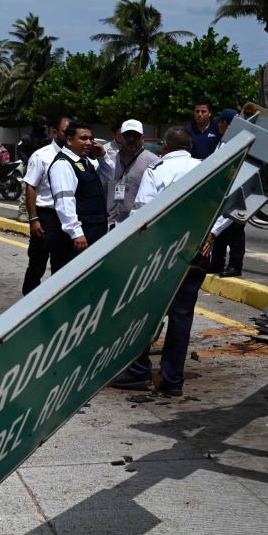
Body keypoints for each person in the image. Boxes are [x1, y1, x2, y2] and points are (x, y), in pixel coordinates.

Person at [110, 126, 229, 397]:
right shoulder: (207, 169)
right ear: (190, 147)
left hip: (162, 255)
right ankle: (173, 379)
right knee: (181, 316)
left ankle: (139, 371)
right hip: (197, 252)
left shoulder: (156, 171)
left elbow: (142, 215)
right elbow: (228, 206)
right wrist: (212, 231)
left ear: (165, 147)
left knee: (144, 311)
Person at [47, 120, 112, 272]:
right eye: (83, 138)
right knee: (70, 281)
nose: (89, 143)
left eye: (91, 138)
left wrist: (102, 156)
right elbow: (65, 201)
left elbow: (109, 175)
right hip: (78, 238)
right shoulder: (63, 164)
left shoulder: (85, 162)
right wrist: (76, 233)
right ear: (69, 140)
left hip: (94, 232)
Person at [22, 116, 70, 294]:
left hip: (65, 219)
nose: (69, 136)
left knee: (61, 266)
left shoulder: (76, 157)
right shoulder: (41, 155)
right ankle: (27, 305)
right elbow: (31, 187)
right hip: (45, 217)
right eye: (66, 132)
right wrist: (34, 219)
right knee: (36, 266)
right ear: (55, 132)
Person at [208, 108, 246, 276]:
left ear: (225, 124)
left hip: (236, 190)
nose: (218, 126)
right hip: (222, 190)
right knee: (221, 230)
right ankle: (217, 263)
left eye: (220, 123)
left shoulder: (236, 141)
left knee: (235, 230)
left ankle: (235, 266)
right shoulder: (226, 140)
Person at [105, 118, 160, 228]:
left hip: (135, 226)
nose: (131, 139)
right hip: (109, 224)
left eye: (136, 136)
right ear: (120, 137)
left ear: (142, 138)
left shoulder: (153, 162)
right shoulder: (109, 161)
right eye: (127, 135)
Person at [15, 116, 51, 221]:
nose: (44, 127)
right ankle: (23, 212)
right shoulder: (27, 138)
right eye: (41, 124)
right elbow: (20, 151)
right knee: (26, 190)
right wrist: (29, 162)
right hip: (30, 169)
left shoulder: (47, 139)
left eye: (45, 124)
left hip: (44, 169)